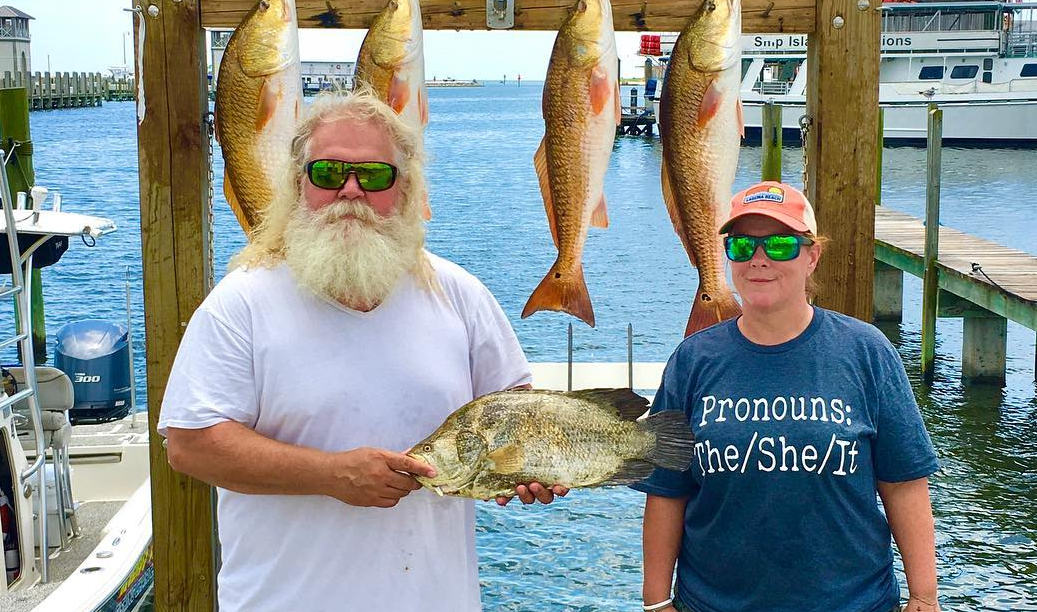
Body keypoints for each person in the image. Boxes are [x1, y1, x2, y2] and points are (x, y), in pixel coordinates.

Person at [158, 89, 564, 611]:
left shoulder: (459, 294)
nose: (350, 191)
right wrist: (331, 476)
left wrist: (534, 468)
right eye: (328, 173)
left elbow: (519, 415)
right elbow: (189, 445)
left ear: (406, 188)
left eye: (374, 176)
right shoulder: (241, 304)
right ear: (298, 183)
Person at [632, 181, 941, 612]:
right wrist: (655, 602)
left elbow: (904, 481)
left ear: (812, 256)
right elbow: (667, 490)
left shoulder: (866, 352)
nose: (759, 259)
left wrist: (924, 598)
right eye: (742, 246)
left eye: (779, 245)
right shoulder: (692, 361)